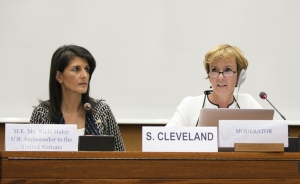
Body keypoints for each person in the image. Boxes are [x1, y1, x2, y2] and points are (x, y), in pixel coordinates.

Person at [30, 45, 125, 151]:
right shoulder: (42, 114)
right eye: (76, 69)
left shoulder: (101, 110)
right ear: (59, 76)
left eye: (87, 69)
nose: (84, 75)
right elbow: (33, 161)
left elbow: (121, 156)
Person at [166, 44, 262, 127]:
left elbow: (269, 135)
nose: (220, 77)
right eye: (215, 70)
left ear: (239, 76)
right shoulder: (190, 105)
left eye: (228, 70)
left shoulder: (249, 104)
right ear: (209, 75)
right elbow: (166, 138)